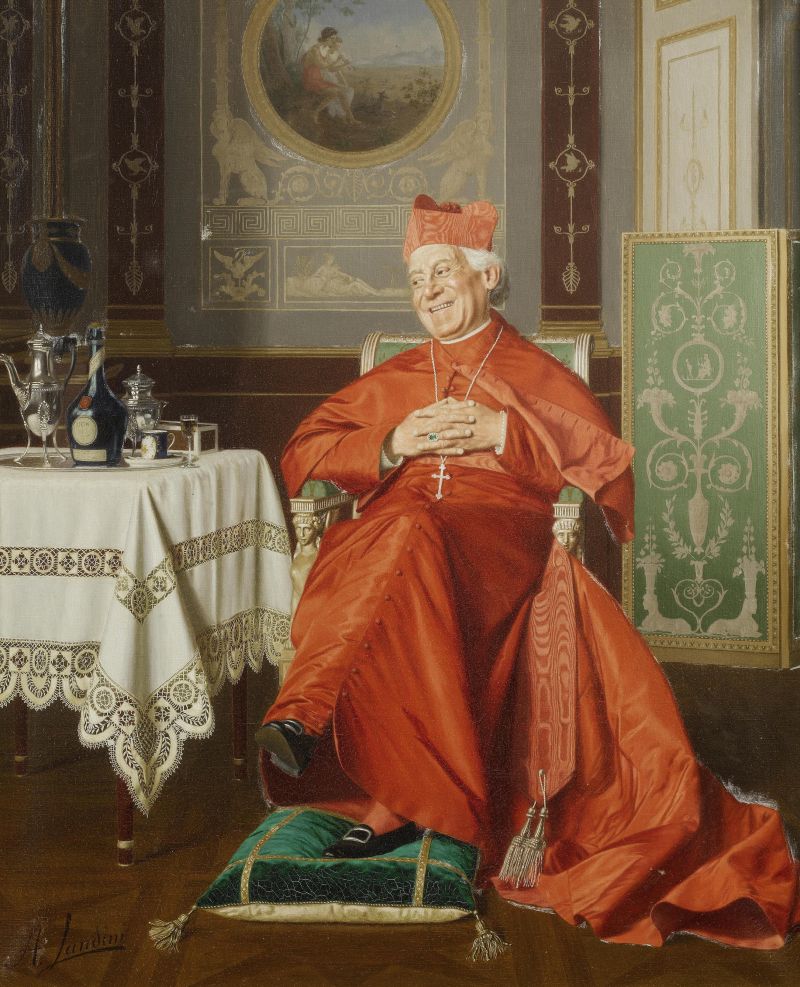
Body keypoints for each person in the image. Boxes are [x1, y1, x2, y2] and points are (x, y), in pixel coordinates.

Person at [256, 195, 800, 948]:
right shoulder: (400, 373)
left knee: (405, 539)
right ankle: (393, 790)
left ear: (487, 275)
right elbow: (302, 450)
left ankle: (310, 719)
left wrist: (504, 429)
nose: (427, 293)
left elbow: (606, 464)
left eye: (441, 273)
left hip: (496, 536)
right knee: (399, 542)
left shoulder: (532, 370)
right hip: (397, 533)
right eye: (415, 281)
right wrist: (391, 441)